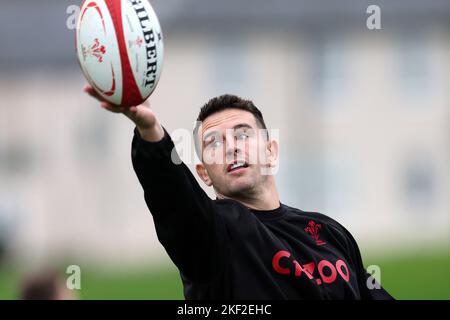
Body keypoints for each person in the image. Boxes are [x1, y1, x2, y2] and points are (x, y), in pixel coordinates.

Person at [84, 86, 393, 299]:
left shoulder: (329, 232)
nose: (231, 146)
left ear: (271, 152)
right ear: (203, 174)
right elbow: (174, 200)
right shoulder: (214, 236)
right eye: (213, 143)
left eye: (243, 135)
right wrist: (150, 132)